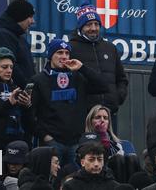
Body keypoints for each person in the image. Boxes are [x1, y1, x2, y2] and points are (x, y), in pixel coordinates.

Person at [30, 38, 109, 167]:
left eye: (67, 53)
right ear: (50, 56)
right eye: (59, 52)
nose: (64, 56)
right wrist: (44, 135)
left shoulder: (78, 77)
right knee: (52, 179)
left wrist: (82, 68)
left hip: (76, 142)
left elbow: (103, 86)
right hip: (52, 142)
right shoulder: (39, 80)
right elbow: (29, 113)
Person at [69, 5, 128, 119]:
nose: (93, 28)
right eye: (88, 24)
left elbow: (121, 79)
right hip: (83, 114)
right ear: (80, 27)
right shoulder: (71, 48)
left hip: (108, 113)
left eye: (96, 24)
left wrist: (118, 96)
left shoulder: (110, 48)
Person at [0, 1, 37, 86]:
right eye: (30, 17)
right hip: (12, 94)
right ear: (20, 16)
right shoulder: (1, 36)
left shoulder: (19, 37)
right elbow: (10, 67)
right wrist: (25, 87)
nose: (33, 21)